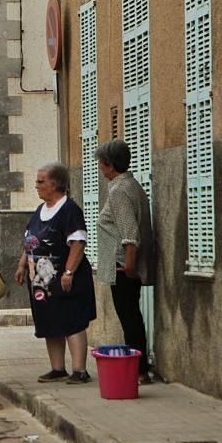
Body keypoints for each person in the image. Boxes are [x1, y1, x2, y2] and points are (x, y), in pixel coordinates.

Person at [16, 164, 97, 384]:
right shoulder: (40, 211)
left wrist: (69, 272)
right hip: (42, 283)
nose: (36, 185)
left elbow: (78, 243)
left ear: (55, 184)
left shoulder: (69, 210)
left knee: (72, 321)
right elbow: (30, 241)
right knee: (50, 323)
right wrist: (23, 264)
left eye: (41, 181)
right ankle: (57, 368)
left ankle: (80, 370)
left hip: (65, 279)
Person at [94, 140, 155, 384]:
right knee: (133, 317)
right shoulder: (132, 185)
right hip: (125, 265)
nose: (100, 167)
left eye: (101, 163)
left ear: (110, 165)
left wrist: (129, 266)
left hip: (123, 266)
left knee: (129, 318)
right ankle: (140, 367)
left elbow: (130, 232)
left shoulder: (119, 191)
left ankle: (139, 370)